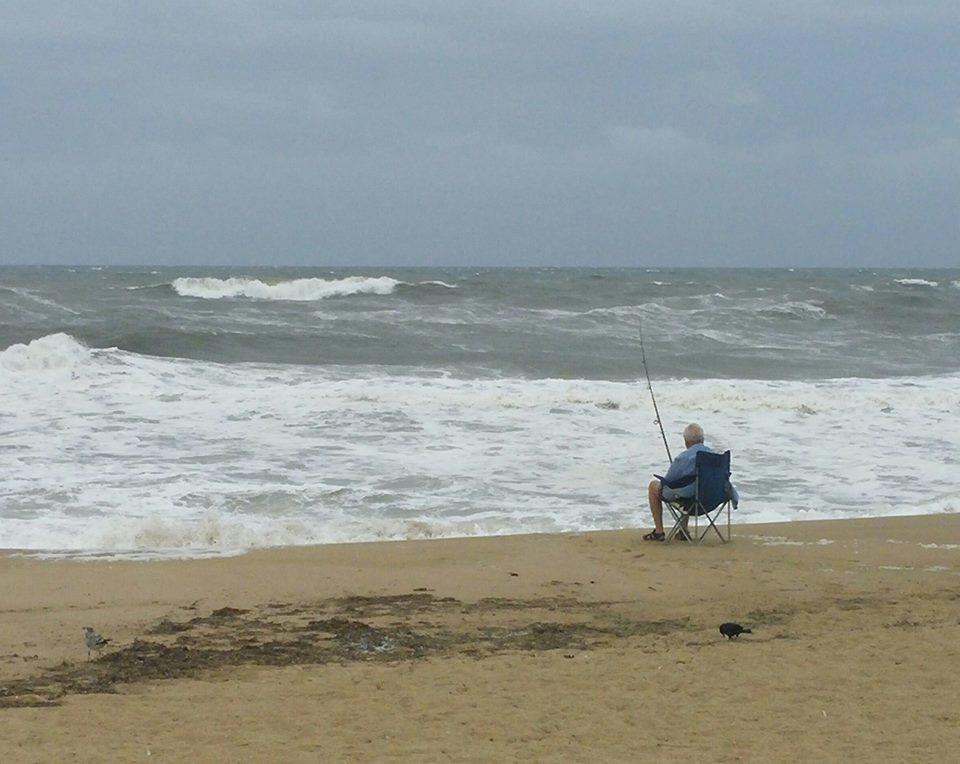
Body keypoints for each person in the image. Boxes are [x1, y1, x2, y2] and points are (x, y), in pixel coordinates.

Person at [642, 423, 738, 541]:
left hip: (692, 503)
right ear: (702, 440)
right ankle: (683, 530)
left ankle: (659, 532)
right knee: (688, 487)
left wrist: (662, 484)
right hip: (714, 499)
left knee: (655, 486)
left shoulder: (683, 459)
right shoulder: (716, 457)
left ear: (686, 441)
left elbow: (669, 481)